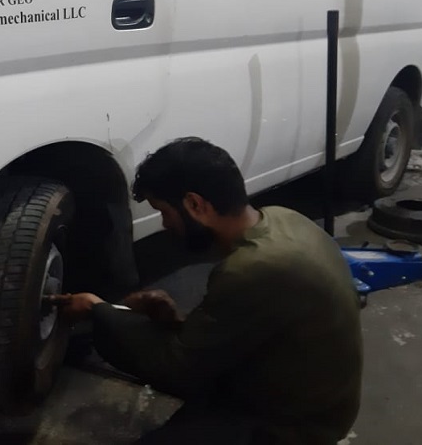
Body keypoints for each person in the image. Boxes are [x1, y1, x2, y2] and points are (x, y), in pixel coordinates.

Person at [51, 137, 362, 445]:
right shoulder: (282, 217)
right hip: (294, 386)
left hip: (295, 424)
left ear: (195, 205)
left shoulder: (253, 267)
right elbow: (242, 327)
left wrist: (96, 310)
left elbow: (177, 368)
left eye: (164, 212)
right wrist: (172, 324)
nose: (165, 224)